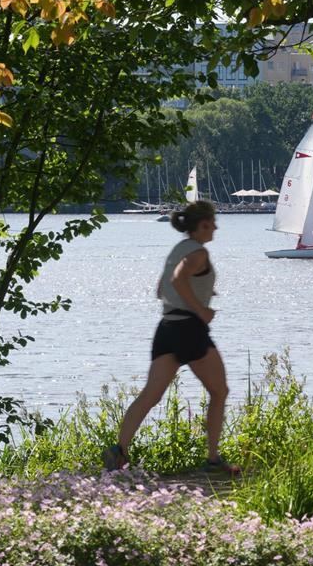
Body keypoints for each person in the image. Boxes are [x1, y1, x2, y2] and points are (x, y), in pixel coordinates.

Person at [102, 201, 239, 475]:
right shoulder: (198, 252)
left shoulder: (177, 250)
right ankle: (213, 460)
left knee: (149, 395)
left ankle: (119, 450)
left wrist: (200, 293)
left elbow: (160, 290)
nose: (216, 227)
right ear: (202, 225)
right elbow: (177, 280)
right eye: (212, 222)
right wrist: (201, 308)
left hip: (166, 328)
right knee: (219, 391)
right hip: (189, 329)